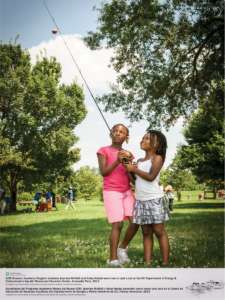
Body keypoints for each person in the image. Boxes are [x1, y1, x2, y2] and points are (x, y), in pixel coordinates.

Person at [122, 130, 171, 266]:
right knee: (146, 232)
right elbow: (134, 181)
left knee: (159, 232)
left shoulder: (157, 158)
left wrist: (134, 169)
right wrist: (128, 168)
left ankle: (165, 262)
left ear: (156, 144)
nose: (142, 140)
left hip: (155, 200)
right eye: (142, 138)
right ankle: (148, 262)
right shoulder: (138, 161)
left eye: (147, 139)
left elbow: (150, 177)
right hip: (141, 201)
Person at [97, 124, 138, 267]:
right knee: (118, 223)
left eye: (122, 132)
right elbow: (103, 172)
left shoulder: (129, 153)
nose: (118, 134)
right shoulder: (104, 150)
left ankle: (122, 248)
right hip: (111, 191)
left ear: (127, 138)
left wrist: (131, 168)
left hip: (127, 191)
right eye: (116, 131)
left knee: (135, 221)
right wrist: (117, 161)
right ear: (111, 134)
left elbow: (133, 180)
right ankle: (112, 259)